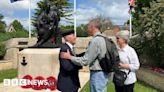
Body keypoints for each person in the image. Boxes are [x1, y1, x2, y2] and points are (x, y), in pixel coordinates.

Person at [60, 19, 110, 92]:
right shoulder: (103, 38)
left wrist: (69, 57)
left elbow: (85, 61)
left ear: (93, 27)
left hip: (97, 74)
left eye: (88, 27)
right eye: (73, 35)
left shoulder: (95, 40)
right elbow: (67, 66)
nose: (87, 29)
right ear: (67, 38)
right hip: (101, 74)